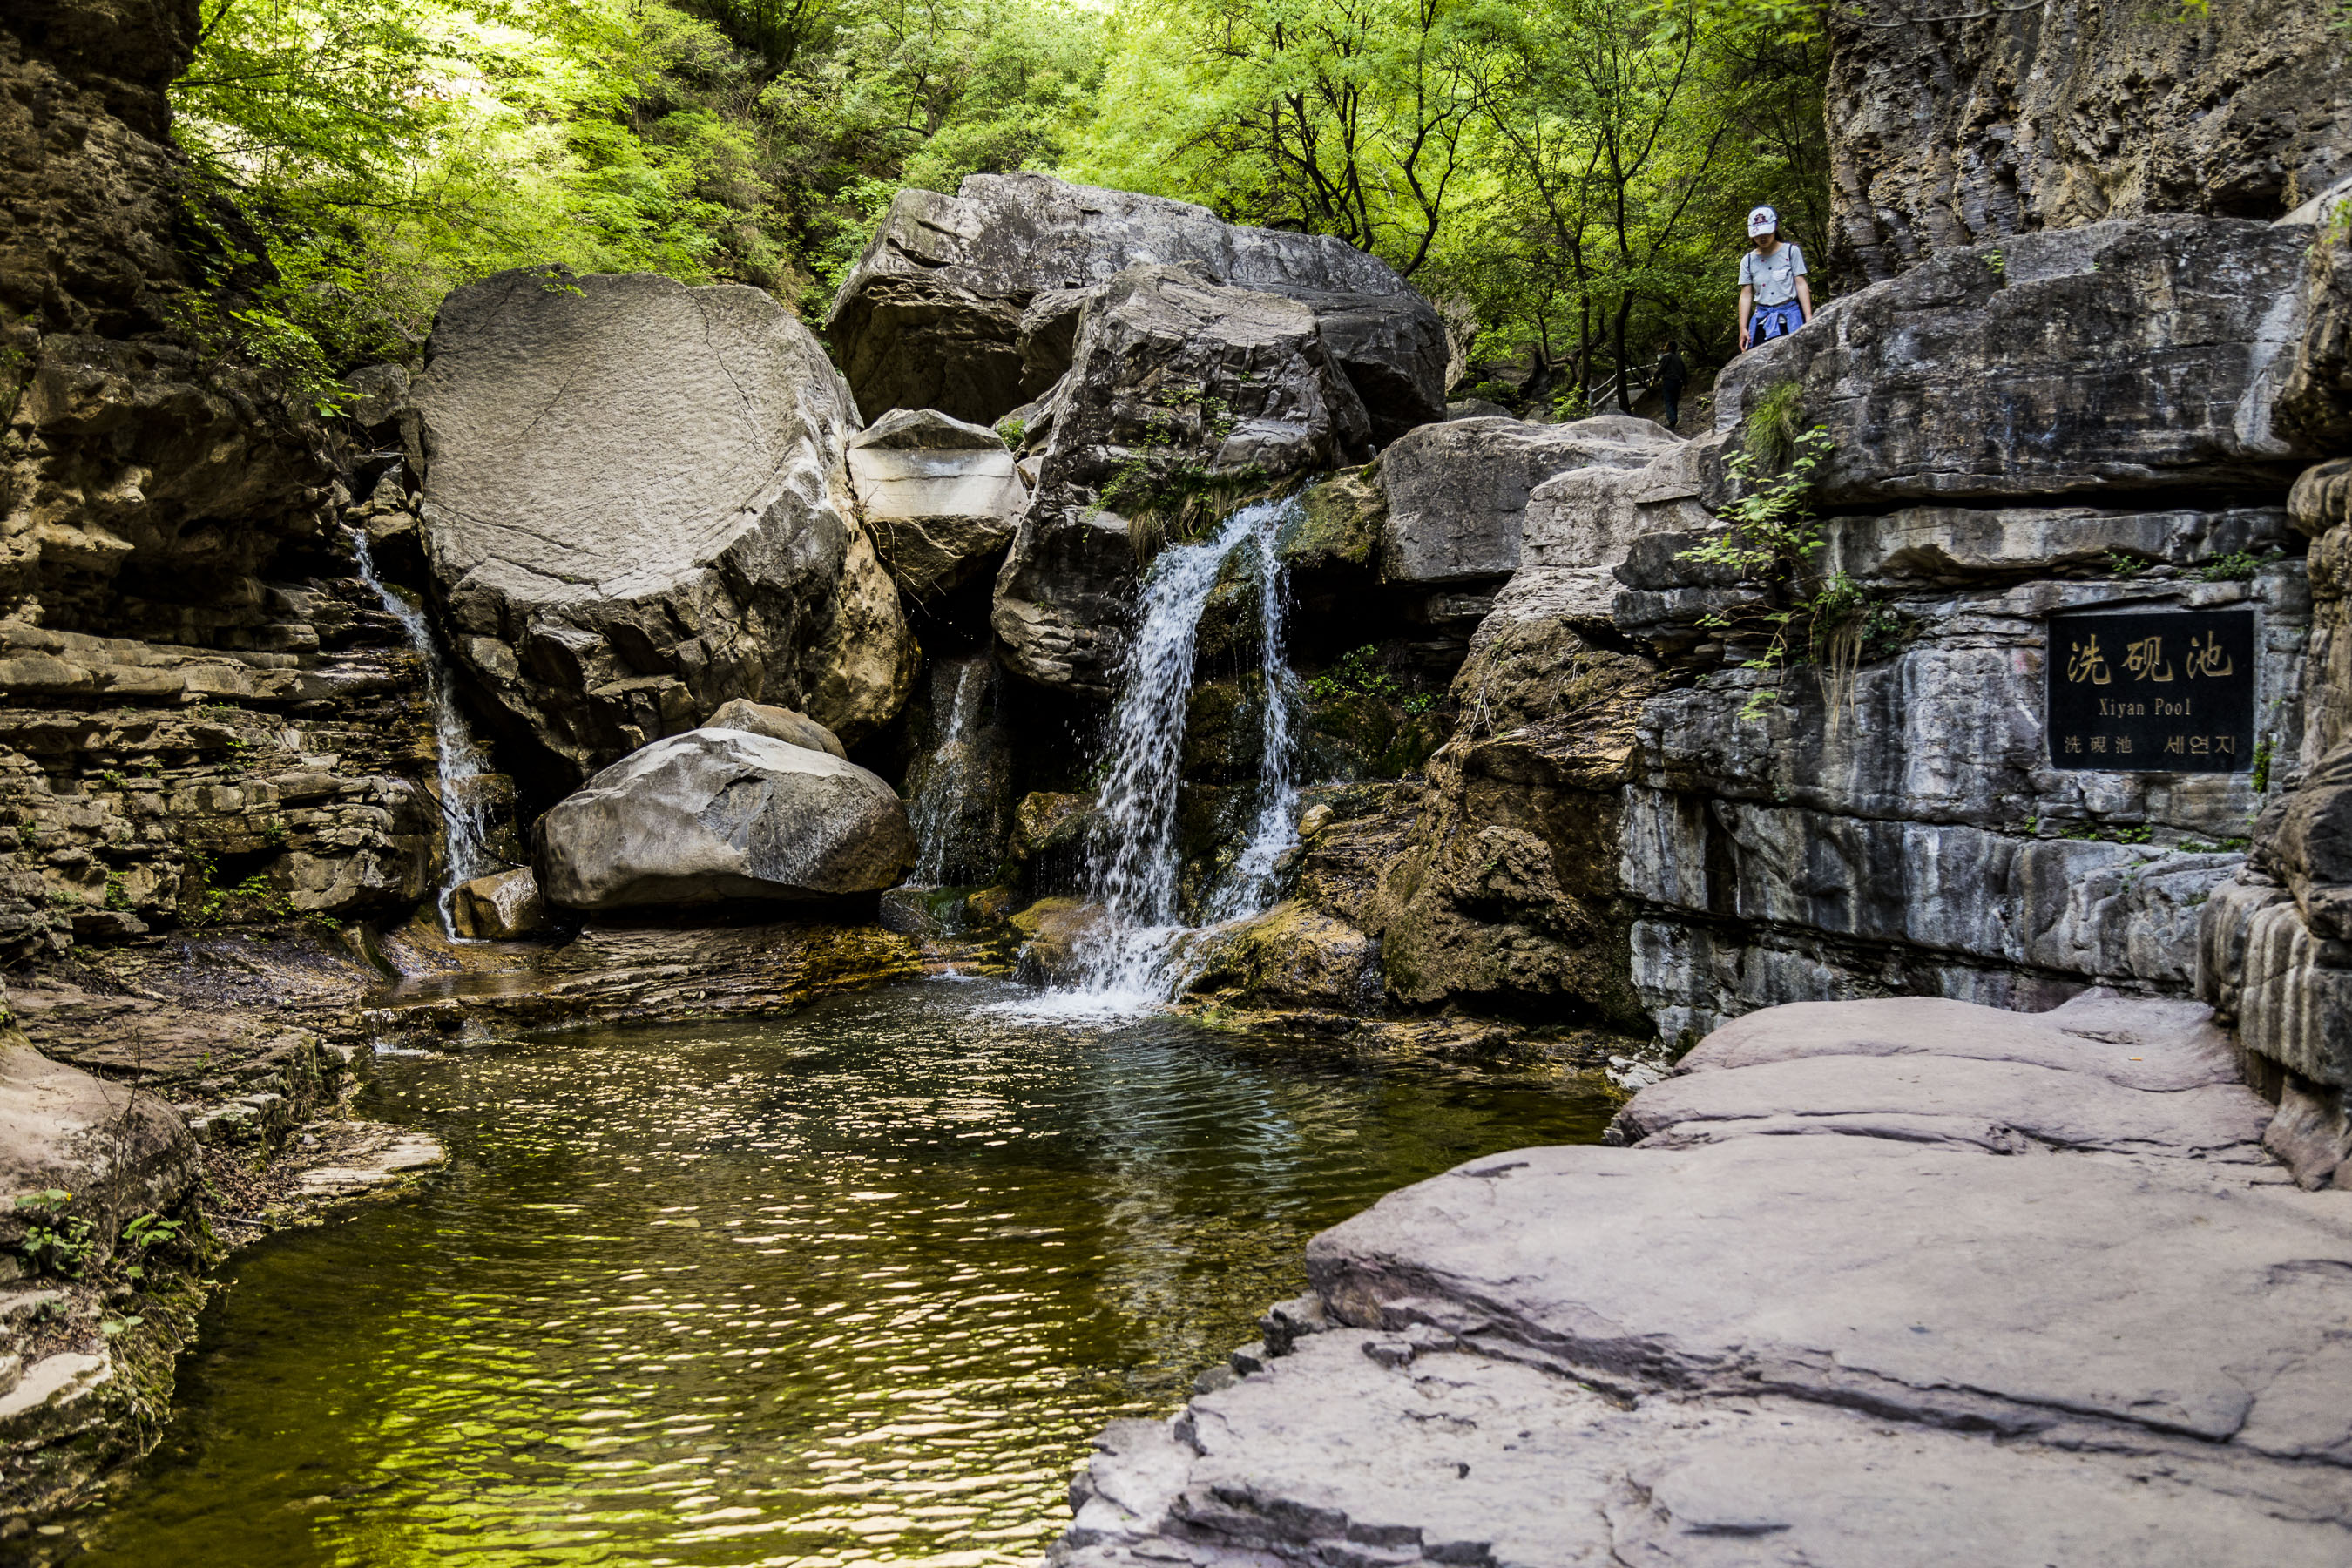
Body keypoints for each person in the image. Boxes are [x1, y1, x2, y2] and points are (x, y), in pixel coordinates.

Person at [1737, 204, 1812, 352]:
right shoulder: (1748, 261)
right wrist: (1743, 328)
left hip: (1790, 317)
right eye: (1758, 234)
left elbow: (1801, 284)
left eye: (1766, 232)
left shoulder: (1791, 252)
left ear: (1775, 226)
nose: (1762, 237)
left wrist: (1809, 317)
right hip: (1762, 321)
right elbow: (1746, 295)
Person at [1653, 339, 1690, 429]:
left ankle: (1672, 419)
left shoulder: (1666, 357)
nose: (1665, 347)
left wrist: (1655, 378)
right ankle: (1674, 419)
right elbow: (1684, 372)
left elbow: (1661, 369)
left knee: (1668, 400)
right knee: (1674, 401)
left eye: (1666, 345)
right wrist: (1685, 384)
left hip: (1669, 381)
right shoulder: (1679, 358)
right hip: (1678, 383)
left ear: (1669, 347)